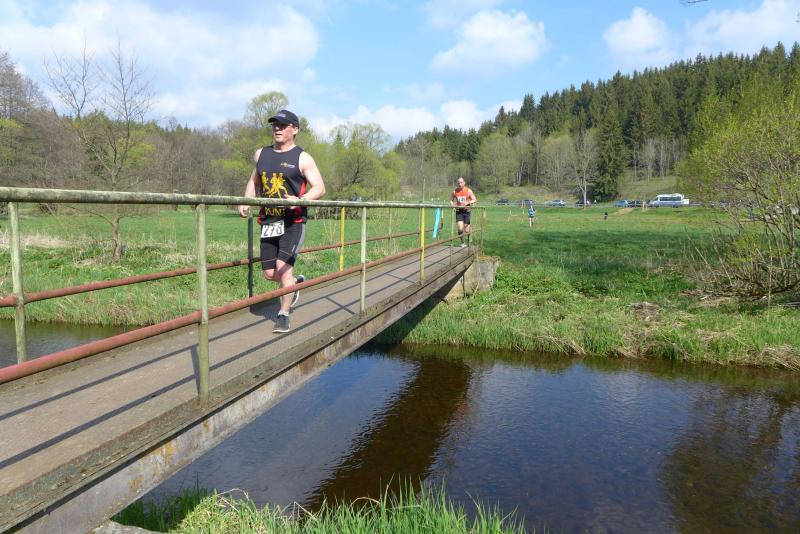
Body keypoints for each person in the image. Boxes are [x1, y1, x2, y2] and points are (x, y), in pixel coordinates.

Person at [238, 109, 326, 333]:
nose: (277, 128)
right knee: (270, 274)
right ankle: (294, 286)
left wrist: (300, 200)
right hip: (269, 221)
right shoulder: (261, 154)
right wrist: (245, 200)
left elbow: (320, 188)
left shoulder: (302, 158)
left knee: (284, 269)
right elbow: (254, 181)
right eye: (274, 124)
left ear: (294, 129)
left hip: (293, 222)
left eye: (282, 125)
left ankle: (283, 314)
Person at [450, 176, 477, 247]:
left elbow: (474, 199)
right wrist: (453, 206)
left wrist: (468, 202)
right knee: (460, 228)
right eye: (458, 183)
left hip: (467, 211)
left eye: (461, 183)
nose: (460, 184)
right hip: (459, 211)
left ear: (464, 183)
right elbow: (451, 200)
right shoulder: (455, 191)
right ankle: (462, 242)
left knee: (467, 230)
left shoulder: (468, 191)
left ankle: (470, 241)